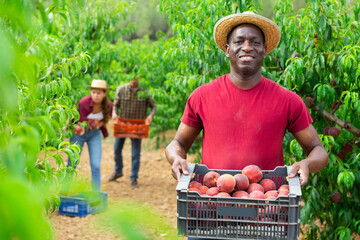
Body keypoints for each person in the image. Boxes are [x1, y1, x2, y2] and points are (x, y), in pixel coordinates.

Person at [165, 11, 329, 239]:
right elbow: (178, 143)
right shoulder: (202, 96)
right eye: (239, 41)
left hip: (266, 215)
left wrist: (307, 164)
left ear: (264, 51)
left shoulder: (287, 100)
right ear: (227, 49)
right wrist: (177, 159)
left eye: (255, 42)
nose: (247, 47)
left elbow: (318, 151)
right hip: (211, 214)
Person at [108, 76, 156, 188]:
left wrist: (150, 116)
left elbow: (154, 107)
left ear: (140, 78)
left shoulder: (145, 91)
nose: (134, 80)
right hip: (122, 125)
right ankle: (118, 171)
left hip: (138, 127)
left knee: (135, 153)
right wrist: (114, 113)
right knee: (116, 149)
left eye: (137, 77)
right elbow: (115, 105)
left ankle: (134, 177)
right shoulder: (121, 89)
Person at [67, 79, 113, 191]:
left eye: (99, 93)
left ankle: (96, 194)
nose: (96, 95)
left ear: (104, 94)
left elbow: (106, 119)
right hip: (79, 134)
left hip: (94, 134)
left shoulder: (108, 105)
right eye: (93, 92)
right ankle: (65, 191)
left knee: (96, 165)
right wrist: (78, 128)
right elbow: (77, 121)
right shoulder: (83, 103)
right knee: (72, 163)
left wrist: (98, 124)